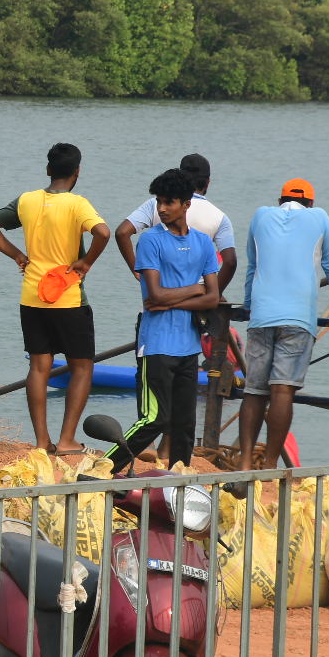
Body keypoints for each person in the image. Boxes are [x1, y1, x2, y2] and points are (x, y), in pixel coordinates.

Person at [0, 142, 111, 454]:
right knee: (82, 367)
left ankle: (41, 442)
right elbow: (103, 232)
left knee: (39, 368)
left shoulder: (26, 200)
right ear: (77, 172)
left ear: (49, 169)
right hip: (67, 297)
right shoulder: (77, 204)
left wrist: (17, 255)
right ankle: (66, 441)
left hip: (32, 296)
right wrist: (86, 262)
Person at [104, 169, 221, 471]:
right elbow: (154, 295)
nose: (162, 208)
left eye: (169, 202)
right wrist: (194, 289)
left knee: (184, 425)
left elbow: (212, 298)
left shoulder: (203, 243)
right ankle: (103, 467)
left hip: (188, 345)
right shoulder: (150, 240)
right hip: (156, 344)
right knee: (155, 419)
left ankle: (177, 483)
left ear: (186, 204)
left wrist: (174, 299)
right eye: (159, 202)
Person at [235, 178, 329, 470]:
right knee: (282, 391)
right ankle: (270, 464)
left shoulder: (260, 216)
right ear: (311, 203)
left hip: (261, 317)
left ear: (280, 201)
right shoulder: (320, 217)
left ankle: (245, 462)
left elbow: (253, 266)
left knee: (254, 392)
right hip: (298, 319)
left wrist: (249, 305)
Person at [115, 152, 237, 299]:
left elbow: (122, 232)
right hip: (198, 296)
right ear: (208, 182)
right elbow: (230, 262)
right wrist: (214, 293)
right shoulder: (220, 217)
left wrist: (136, 270)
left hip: (161, 292)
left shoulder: (155, 204)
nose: (162, 208)